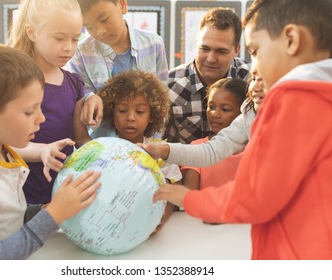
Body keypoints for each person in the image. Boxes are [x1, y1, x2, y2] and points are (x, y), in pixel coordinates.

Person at [153, 0, 332, 259]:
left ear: (292, 39)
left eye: (256, 51)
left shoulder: (295, 101)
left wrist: (189, 199)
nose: (254, 67)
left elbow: (256, 197)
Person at [0, 43, 101, 259]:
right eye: (29, 112)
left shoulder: (1, 152)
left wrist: (48, 209)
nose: (41, 118)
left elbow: (5, 216)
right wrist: (53, 215)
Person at [9, 0, 91, 204]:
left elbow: (81, 139)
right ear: (32, 32)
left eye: (75, 39)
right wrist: (41, 151)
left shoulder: (75, 84)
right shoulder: (13, 82)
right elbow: (5, 145)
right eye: (60, 38)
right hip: (23, 200)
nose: (69, 48)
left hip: (63, 198)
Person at [96, 70, 182, 233]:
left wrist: (162, 217)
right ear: (112, 112)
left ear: (152, 115)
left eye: (140, 111)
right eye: (122, 110)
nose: (130, 117)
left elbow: (174, 188)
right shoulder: (103, 150)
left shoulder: (160, 151)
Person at [67, 0, 169, 137]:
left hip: (146, 144)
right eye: (89, 27)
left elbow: (162, 100)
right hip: (103, 146)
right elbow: (81, 96)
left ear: (122, 5)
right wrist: (90, 98)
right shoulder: (80, 54)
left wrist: (154, 143)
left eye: (104, 19)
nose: (100, 31)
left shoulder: (154, 44)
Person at [141, 66, 265, 168]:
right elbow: (210, 152)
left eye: (263, 79)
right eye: (253, 79)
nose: (254, 88)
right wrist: (161, 150)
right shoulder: (249, 114)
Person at [164, 7, 250, 144]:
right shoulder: (170, 86)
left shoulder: (252, 81)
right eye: (205, 48)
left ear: (237, 50)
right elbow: (163, 146)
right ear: (196, 43)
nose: (210, 58)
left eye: (221, 51)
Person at [182, 78, 247, 192]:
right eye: (211, 107)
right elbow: (188, 198)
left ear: (243, 113)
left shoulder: (256, 149)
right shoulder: (197, 148)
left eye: (225, 109)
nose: (215, 114)